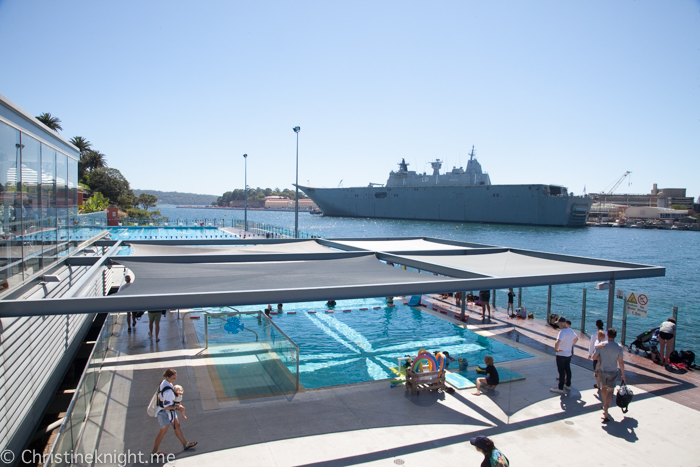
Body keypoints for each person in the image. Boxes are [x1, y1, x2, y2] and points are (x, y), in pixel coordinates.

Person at [151, 369, 197, 460]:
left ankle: (185, 444)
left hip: (169, 412)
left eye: (175, 378)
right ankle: (154, 452)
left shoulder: (165, 383)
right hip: (164, 413)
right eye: (173, 378)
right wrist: (177, 408)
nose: (174, 380)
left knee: (177, 425)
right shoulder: (168, 391)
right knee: (162, 432)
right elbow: (166, 407)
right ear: (167, 377)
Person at [593, 328, 626, 423]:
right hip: (613, 371)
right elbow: (621, 362)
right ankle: (606, 409)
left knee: (604, 387)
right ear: (615, 336)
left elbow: (594, 357)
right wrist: (623, 374)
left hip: (603, 370)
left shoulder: (602, 345)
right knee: (611, 391)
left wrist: (599, 357)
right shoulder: (619, 347)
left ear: (607, 335)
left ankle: (604, 405)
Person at [551, 316, 578, 394]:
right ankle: (568, 384)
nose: (558, 325)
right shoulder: (571, 331)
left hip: (561, 354)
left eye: (559, 323)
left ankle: (560, 387)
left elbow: (557, 342)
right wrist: (571, 345)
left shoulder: (562, 332)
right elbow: (576, 339)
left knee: (561, 371)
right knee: (568, 369)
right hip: (568, 354)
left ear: (562, 323)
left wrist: (556, 349)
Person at [588, 320, 607, 389]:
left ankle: (598, 384)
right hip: (605, 355)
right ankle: (604, 384)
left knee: (597, 370)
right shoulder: (606, 333)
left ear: (596, 326)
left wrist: (590, 354)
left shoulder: (594, 334)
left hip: (597, 354)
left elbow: (592, 345)